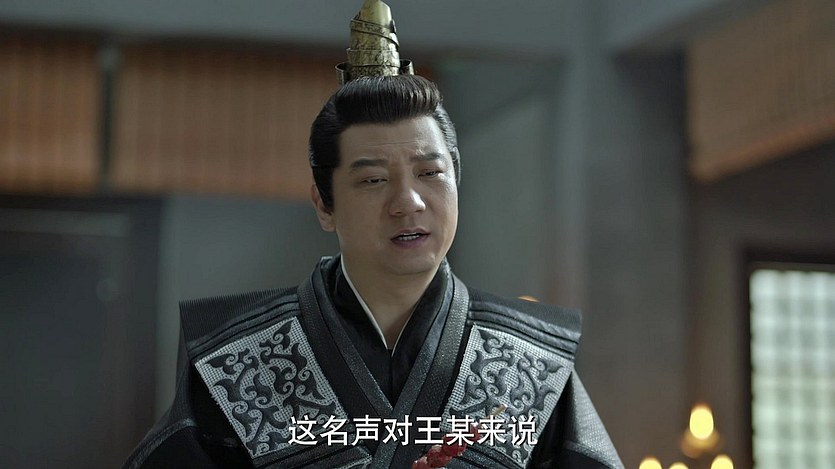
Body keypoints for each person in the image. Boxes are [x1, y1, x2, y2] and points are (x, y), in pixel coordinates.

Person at [123, 1, 623, 468]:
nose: (409, 201)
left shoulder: (529, 362)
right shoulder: (237, 359)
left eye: (430, 173)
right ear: (324, 205)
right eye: (373, 180)